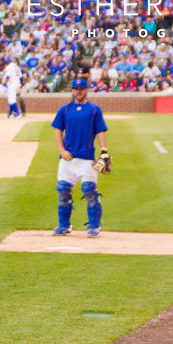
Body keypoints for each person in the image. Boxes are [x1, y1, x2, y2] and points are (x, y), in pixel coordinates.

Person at [50, 78, 108, 238]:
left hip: (87, 158)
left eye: (81, 89)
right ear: (73, 90)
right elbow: (57, 130)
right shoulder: (65, 109)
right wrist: (61, 150)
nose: (79, 91)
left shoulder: (94, 110)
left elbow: (100, 131)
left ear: (86, 90)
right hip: (67, 158)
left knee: (89, 190)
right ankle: (64, 226)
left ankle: (94, 226)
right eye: (76, 88)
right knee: (62, 190)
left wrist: (104, 152)